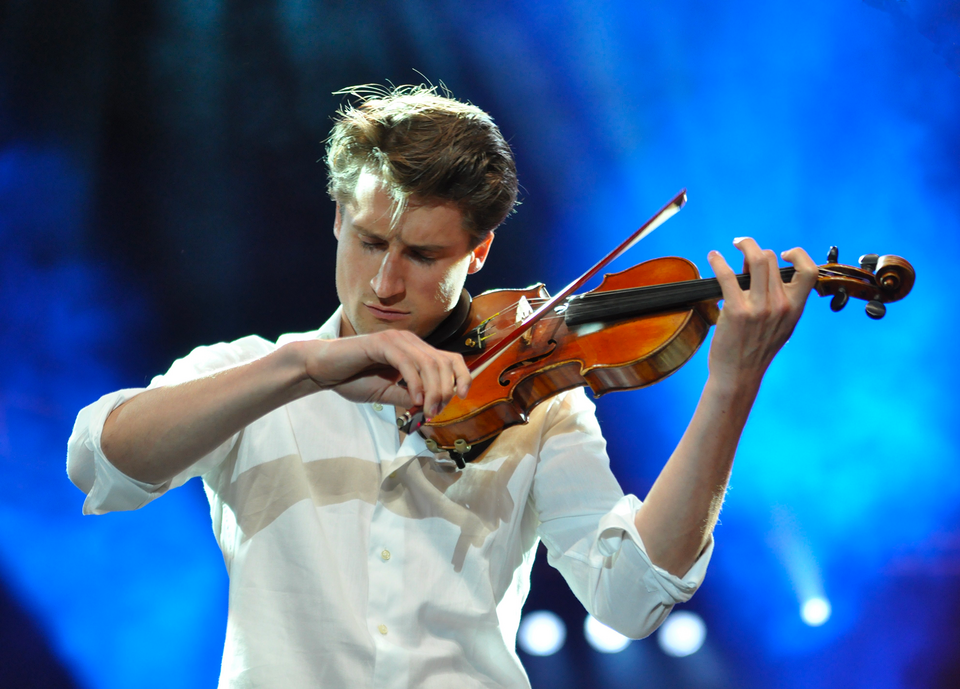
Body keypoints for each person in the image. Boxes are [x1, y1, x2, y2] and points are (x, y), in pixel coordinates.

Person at [67, 84, 818, 688]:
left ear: (480, 249)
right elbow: (98, 462)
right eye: (369, 242)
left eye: (425, 255)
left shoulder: (540, 404)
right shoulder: (250, 371)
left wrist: (731, 386)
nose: (387, 281)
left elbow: (630, 597)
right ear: (337, 219)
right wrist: (299, 368)